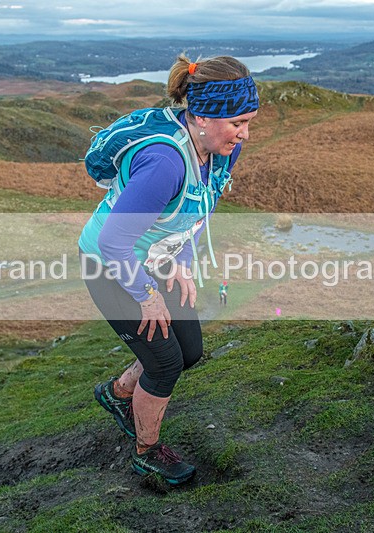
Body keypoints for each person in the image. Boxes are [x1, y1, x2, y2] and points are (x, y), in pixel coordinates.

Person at [78, 54, 258, 485]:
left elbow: (198, 210)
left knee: (189, 352)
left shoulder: (218, 151)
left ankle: (120, 394)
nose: (245, 133)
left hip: (155, 259)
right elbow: (114, 242)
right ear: (201, 115)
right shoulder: (165, 163)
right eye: (238, 122)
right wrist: (147, 295)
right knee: (164, 364)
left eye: (250, 121)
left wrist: (183, 261)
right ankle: (147, 452)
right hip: (111, 266)